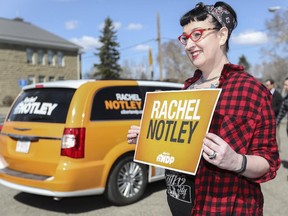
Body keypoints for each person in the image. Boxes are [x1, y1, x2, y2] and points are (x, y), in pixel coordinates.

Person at [127, 2, 280, 215]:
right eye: (185, 38)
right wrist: (148, 139)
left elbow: (269, 162)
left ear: (222, 35)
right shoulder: (187, 88)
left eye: (197, 34)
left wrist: (236, 161)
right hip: (183, 207)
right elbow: (177, 147)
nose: (189, 45)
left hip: (226, 208)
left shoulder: (251, 90)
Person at [265, 79, 283, 149]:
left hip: (275, 118)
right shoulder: (266, 93)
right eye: (266, 85)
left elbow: (281, 107)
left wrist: (272, 110)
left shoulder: (278, 95)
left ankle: (277, 149)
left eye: (268, 85)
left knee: (276, 134)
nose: (266, 86)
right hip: (267, 118)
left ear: (272, 85)